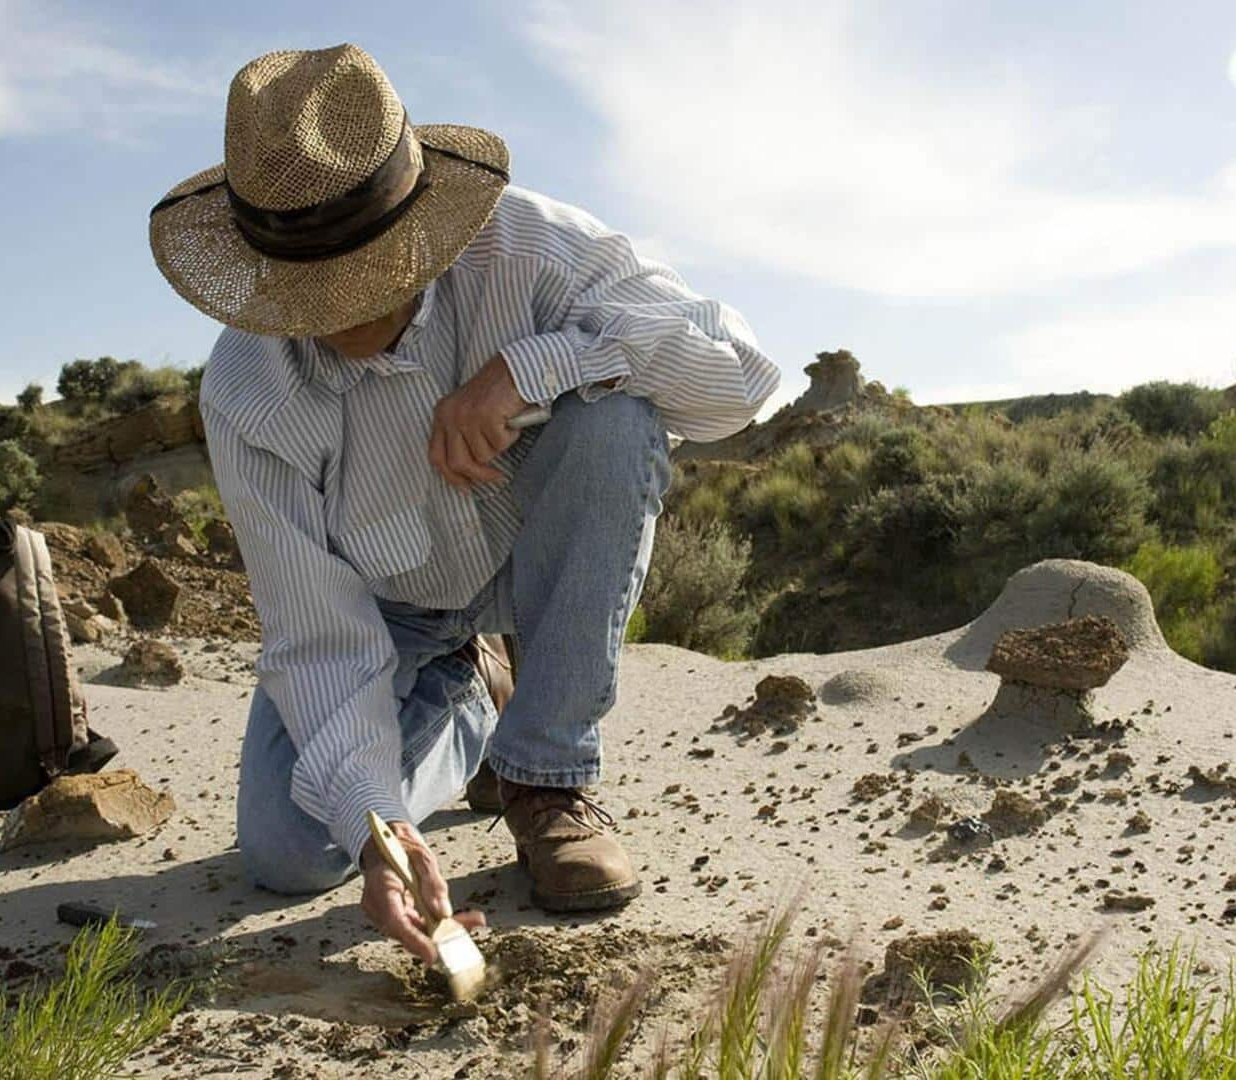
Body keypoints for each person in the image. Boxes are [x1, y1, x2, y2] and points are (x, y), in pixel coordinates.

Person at [147, 44, 779, 965]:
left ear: (418, 231)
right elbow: (316, 629)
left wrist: (536, 366)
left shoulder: (532, 245)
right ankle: (474, 691)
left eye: (359, 274)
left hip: (534, 560)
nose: (335, 313)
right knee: (291, 851)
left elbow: (737, 382)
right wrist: (380, 829)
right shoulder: (250, 391)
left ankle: (546, 777)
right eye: (307, 287)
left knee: (617, 421)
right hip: (393, 609)